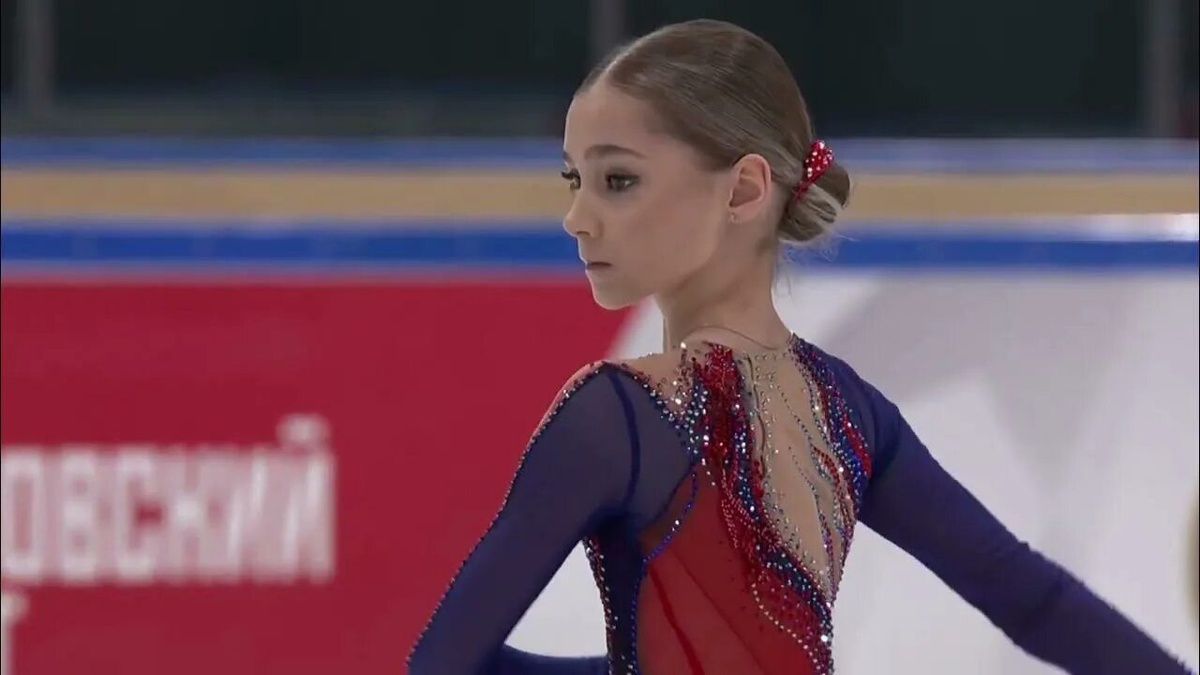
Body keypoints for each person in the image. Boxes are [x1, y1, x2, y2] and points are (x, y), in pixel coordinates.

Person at [407, 19, 1194, 675]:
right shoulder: (850, 409)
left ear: (744, 189)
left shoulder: (614, 416)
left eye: (617, 181)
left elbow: (444, 664)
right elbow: (1035, 600)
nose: (577, 217)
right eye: (572, 181)